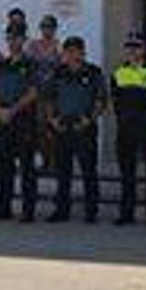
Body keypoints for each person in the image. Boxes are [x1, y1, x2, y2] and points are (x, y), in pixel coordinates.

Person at [44, 37, 108, 224]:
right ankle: (62, 210)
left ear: (83, 52)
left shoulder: (93, 72)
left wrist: (88, 120)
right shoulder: (58, 72)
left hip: (84, 127)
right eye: (68, 51)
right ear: (64, 53)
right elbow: (48, 98)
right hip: (62, 127)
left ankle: (91, 212)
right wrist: (52, 120)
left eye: (76, 51)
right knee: (63, 172)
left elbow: (101, 99)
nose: (72, 54)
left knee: (89, 171)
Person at [111, 33, 146, 226]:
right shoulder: (118, 73)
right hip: (126, 130)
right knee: (127, 174)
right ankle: (127, 213)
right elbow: (116, 102)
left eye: (137, 46)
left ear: (144, 49)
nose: (133, 50)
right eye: (129, 47)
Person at [0, 31, 38, 222]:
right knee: (4, 167)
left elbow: (33, 92)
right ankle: (3, 209)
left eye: (17, 38)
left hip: (23, 122)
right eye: (10, 38)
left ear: (24, 40)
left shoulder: (31, 65)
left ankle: (28, 211)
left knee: (27, 168)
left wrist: (12, 110)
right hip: (3, 123)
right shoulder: (0, 66)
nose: (13, 42)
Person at [28, 14, 63, 172]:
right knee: (39, 128)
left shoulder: (58, 45)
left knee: (53, 127)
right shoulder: (34, 45)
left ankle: (55, 161)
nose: (46, 30)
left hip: (53, 94)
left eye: (49, 26)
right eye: (43, 26)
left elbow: (62, 66)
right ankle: (44, 160)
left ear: (54, 29)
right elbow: (28, 65)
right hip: (37, 93)